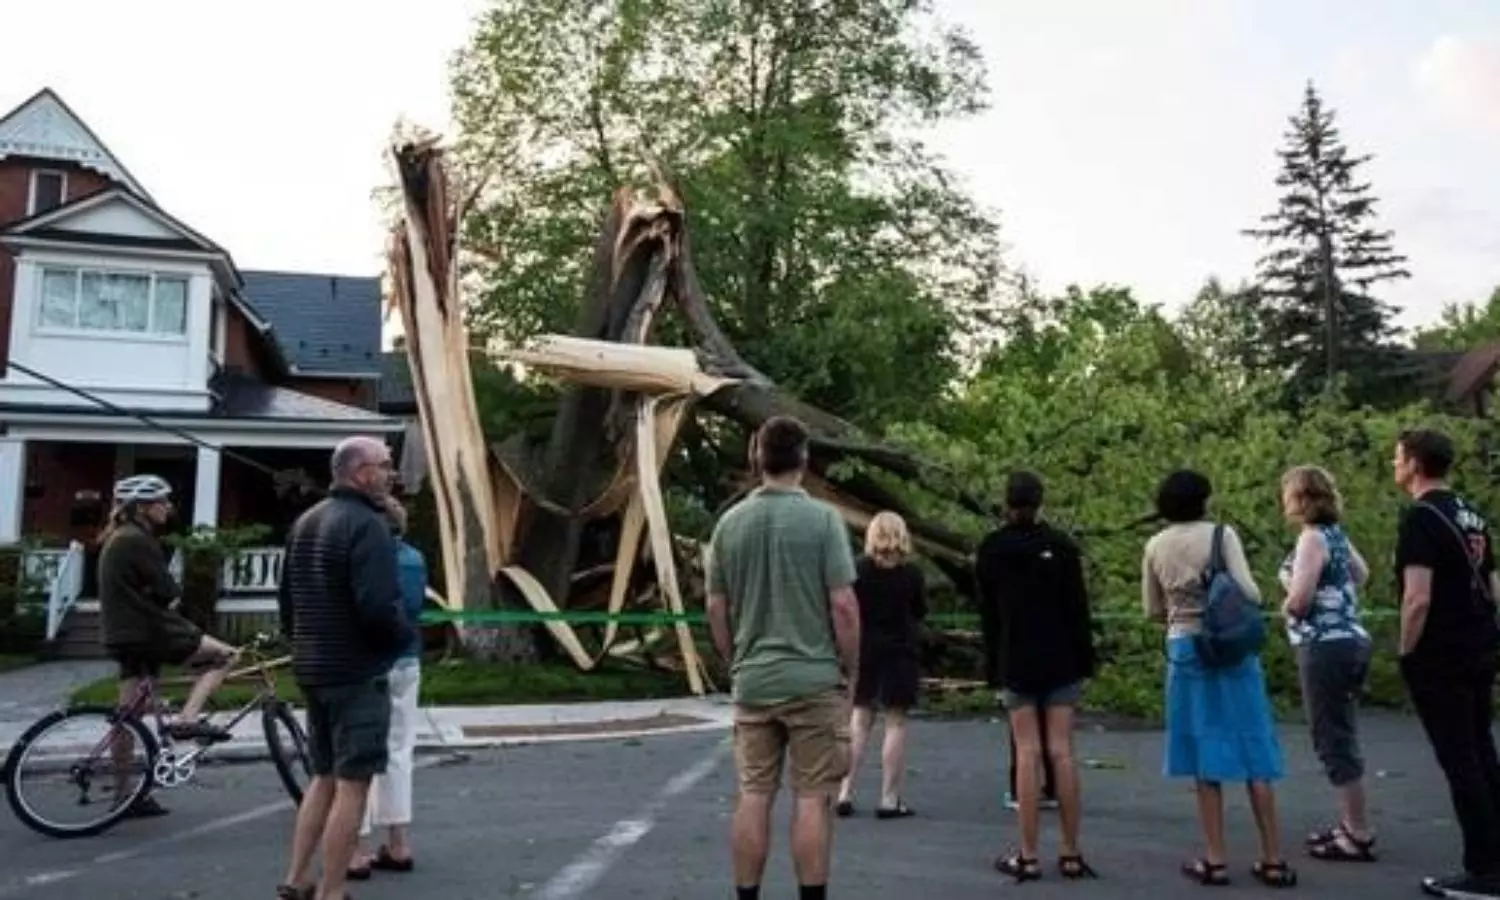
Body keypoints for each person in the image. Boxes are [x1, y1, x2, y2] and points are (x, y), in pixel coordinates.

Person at [705, 416, 861, 900]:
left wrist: (735, 658)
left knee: (754, 794)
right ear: (804, 459)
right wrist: (848, 667)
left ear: (756, 458)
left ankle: (747, 893)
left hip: (754, 680)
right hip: (813, 678)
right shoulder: (823, 520)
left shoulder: (729, 525)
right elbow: (843, 604)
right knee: (813, 797)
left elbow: (716, 605)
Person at [1142, 469, 1295, 888]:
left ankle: (1215, 858)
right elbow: (1250, 593)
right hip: (1230, 649)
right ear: (1204, 500)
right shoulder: (1221, 536)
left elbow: (1152, 609)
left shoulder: (1156, 544)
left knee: (1203, 753)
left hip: (1185, 648)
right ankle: (1273, 858)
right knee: (1253, 745)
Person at [276, 436, 414, 900]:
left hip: (313, 667)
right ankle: (331, 891)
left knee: (323, 776)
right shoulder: (367, 525)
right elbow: (378, 607)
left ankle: (296, 879)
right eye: (385, 465)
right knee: (354, 785)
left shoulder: (306, 522)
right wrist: (399, 637)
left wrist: (304, 644)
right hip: (356, 671)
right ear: (360, 472)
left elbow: (287, 604)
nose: (391, 473)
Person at [1391, 429, 1500, 898]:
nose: (1394, 467)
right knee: (1482, 750)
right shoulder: (1472, 515)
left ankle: (1484, 868)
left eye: (1397, 458)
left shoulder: (1420, 518)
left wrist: (1406, 650)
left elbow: (1417, 597)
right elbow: (1495, 585)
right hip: (1480, 641)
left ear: (1415, 463)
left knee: (1460, 760)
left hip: (1441, 649)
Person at [976, 470, 1098, 881]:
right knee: (1062, 750)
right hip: (1061, 655)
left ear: (1006, 502)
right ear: (1040, 501)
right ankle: (1070, 851)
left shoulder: (992, 549)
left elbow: (989, 615)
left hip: (1016, 657)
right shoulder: (1061, 547)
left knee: (1027, 751)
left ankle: (1028, 854)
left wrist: (992, 666)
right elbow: (1078, 610)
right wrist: (1086, 660)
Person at [98, 473, 239, 819]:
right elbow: (168, 592)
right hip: (150, 631)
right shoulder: (137, 539)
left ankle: (125, 796)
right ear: (143, 508)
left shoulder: (116, 537)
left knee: (128, 717)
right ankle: (188, 719)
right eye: (162, 502)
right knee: (226, 655)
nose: (168, 508)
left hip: (123, 635)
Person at [1276, 465, 1376, 863]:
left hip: (1323, 646)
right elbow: (1362, 574)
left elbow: (1300, 599)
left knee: (1331, 735)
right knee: (1342, 730)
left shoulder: (1312, 538)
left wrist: (1285, 603)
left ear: (1300, 498)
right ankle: (1350, 822)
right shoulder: (1336, 535)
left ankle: (1358, 831)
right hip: (1351, 639)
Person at [349, 495, 428, 880]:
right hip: (408, 658)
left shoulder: (369, 559)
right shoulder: (415, 559)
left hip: (369, 662)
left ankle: (357, 848)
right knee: (398, 751)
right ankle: (398, 841)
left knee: (357, 755)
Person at [835, 511, 927, 820]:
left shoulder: (858, 570)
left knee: (859, 722)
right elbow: (919, 611)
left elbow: (847, 608)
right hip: (900, 651)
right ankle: (889, 798)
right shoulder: (912, 574)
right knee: (895, 723)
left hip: (866, 651)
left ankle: (845, 791)